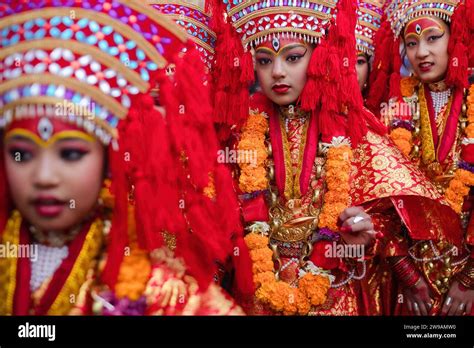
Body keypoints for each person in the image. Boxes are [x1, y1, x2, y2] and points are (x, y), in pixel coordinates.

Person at [212, 0, 461, 315]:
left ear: (317, 57)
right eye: (264, 60)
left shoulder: (353, 128)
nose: (277, 72)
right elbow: (217, 223)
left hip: (333, 291)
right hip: (256, 294)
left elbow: (389, 217)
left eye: (292, 58)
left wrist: (365, 232)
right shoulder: (239, 134)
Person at [0, 0, 248, 315]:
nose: (45, 176)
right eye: (22, 154)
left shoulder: (166, 295)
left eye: (71, 153)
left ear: (107, 157)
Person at [368, 0, 474, 315]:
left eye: (432, 38)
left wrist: (469, 279)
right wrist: (406, 272)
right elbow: (377, 199)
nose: (422, 53)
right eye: (411, 43)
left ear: (455, 38)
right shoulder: (392, 110)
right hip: (412, 284)